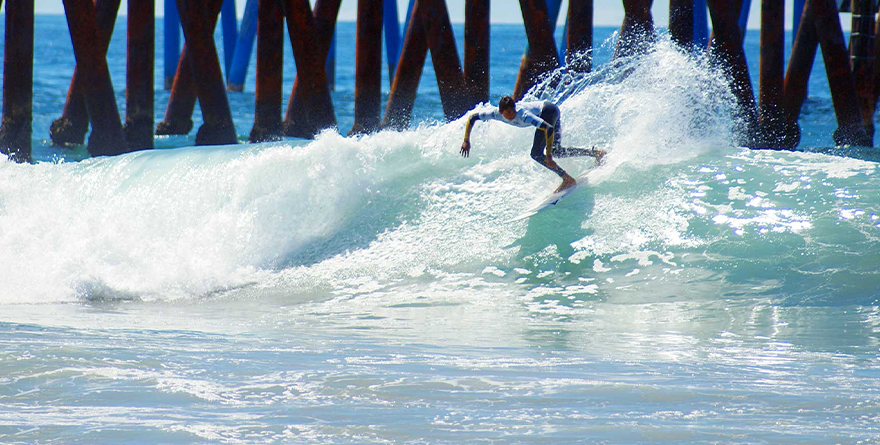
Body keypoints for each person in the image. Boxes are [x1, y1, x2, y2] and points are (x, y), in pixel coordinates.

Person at [460, 96, 605, 193]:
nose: (511, 116)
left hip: (548, 111)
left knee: (536, 154)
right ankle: (597, 153)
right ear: (500, 111)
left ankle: (567, 179)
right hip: (550, 108)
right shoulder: (495, 114)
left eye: (512, 112)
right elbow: (473, 117)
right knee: (557, 151)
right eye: (507, 113)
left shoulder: (523, 116)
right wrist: (466, 140)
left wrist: (548, 156)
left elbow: (548, 128)